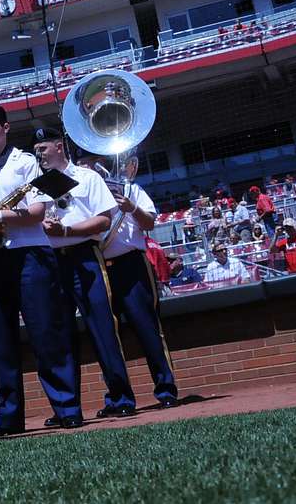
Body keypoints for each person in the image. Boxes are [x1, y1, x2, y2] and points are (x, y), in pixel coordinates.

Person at [0, 106, 80, 437]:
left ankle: (67, 408)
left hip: (29, 255)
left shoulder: (26, 162)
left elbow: (38, 211)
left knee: (46, 333)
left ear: (6, 128)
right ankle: (9, 418)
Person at [33, 129, 137, 422]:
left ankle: (120, 397)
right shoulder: (34, 185)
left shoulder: (88, 177)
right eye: (36, 149)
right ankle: (68, 408)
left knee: (103, 328)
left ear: (58, 146)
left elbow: (104, 219)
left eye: (44, 147)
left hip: (83, 256)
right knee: (59, 335)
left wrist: (65, 230)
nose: (40, 153)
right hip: (51, 261)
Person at [82, 155, 178, 409]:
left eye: (89, 163)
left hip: (131, 264)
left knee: (148, 329)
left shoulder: (130, 189)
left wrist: (131, 207)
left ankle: (166, 389)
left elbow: (150, 223)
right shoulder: (83, 197)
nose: (86, 168)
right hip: (99, 268)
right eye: (81, 163)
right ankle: (118, 397)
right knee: (106, 337)